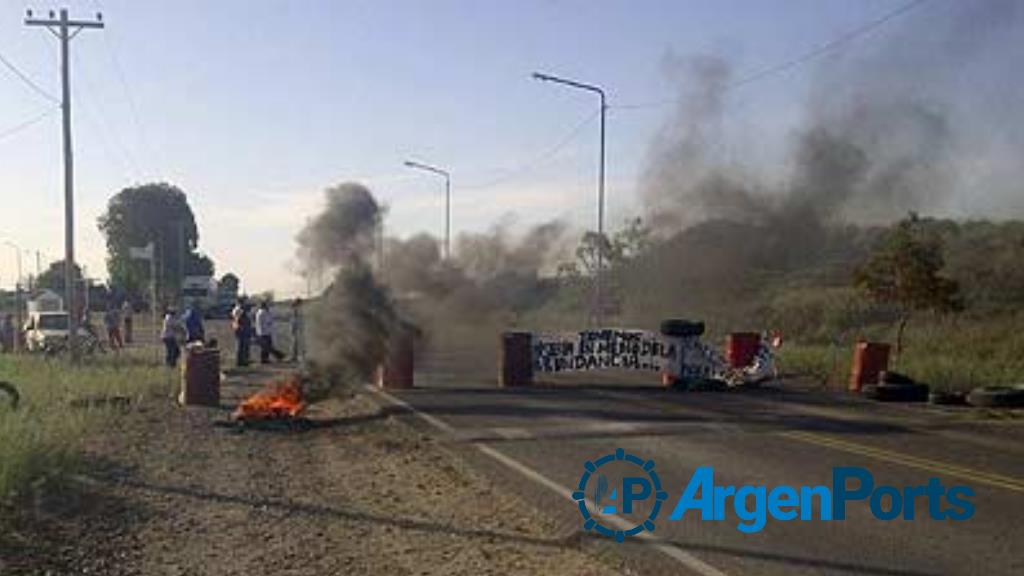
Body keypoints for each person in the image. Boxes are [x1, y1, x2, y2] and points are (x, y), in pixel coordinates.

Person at [231, 297, 253, 366]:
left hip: (241, 329)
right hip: (241, 329)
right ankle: (241, 361)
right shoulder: (238, 309)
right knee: (241, 346)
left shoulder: (237, 309)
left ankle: (244, 360)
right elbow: (238, 320)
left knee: (243, 346)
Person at [289, 298, 304, 362]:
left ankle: (295, 355)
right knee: (294, 342)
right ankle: (294, 356)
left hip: (297, 327)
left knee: (297, 342)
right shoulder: (294, 310)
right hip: (295, 327)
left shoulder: (297, 310)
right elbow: (293, 321)